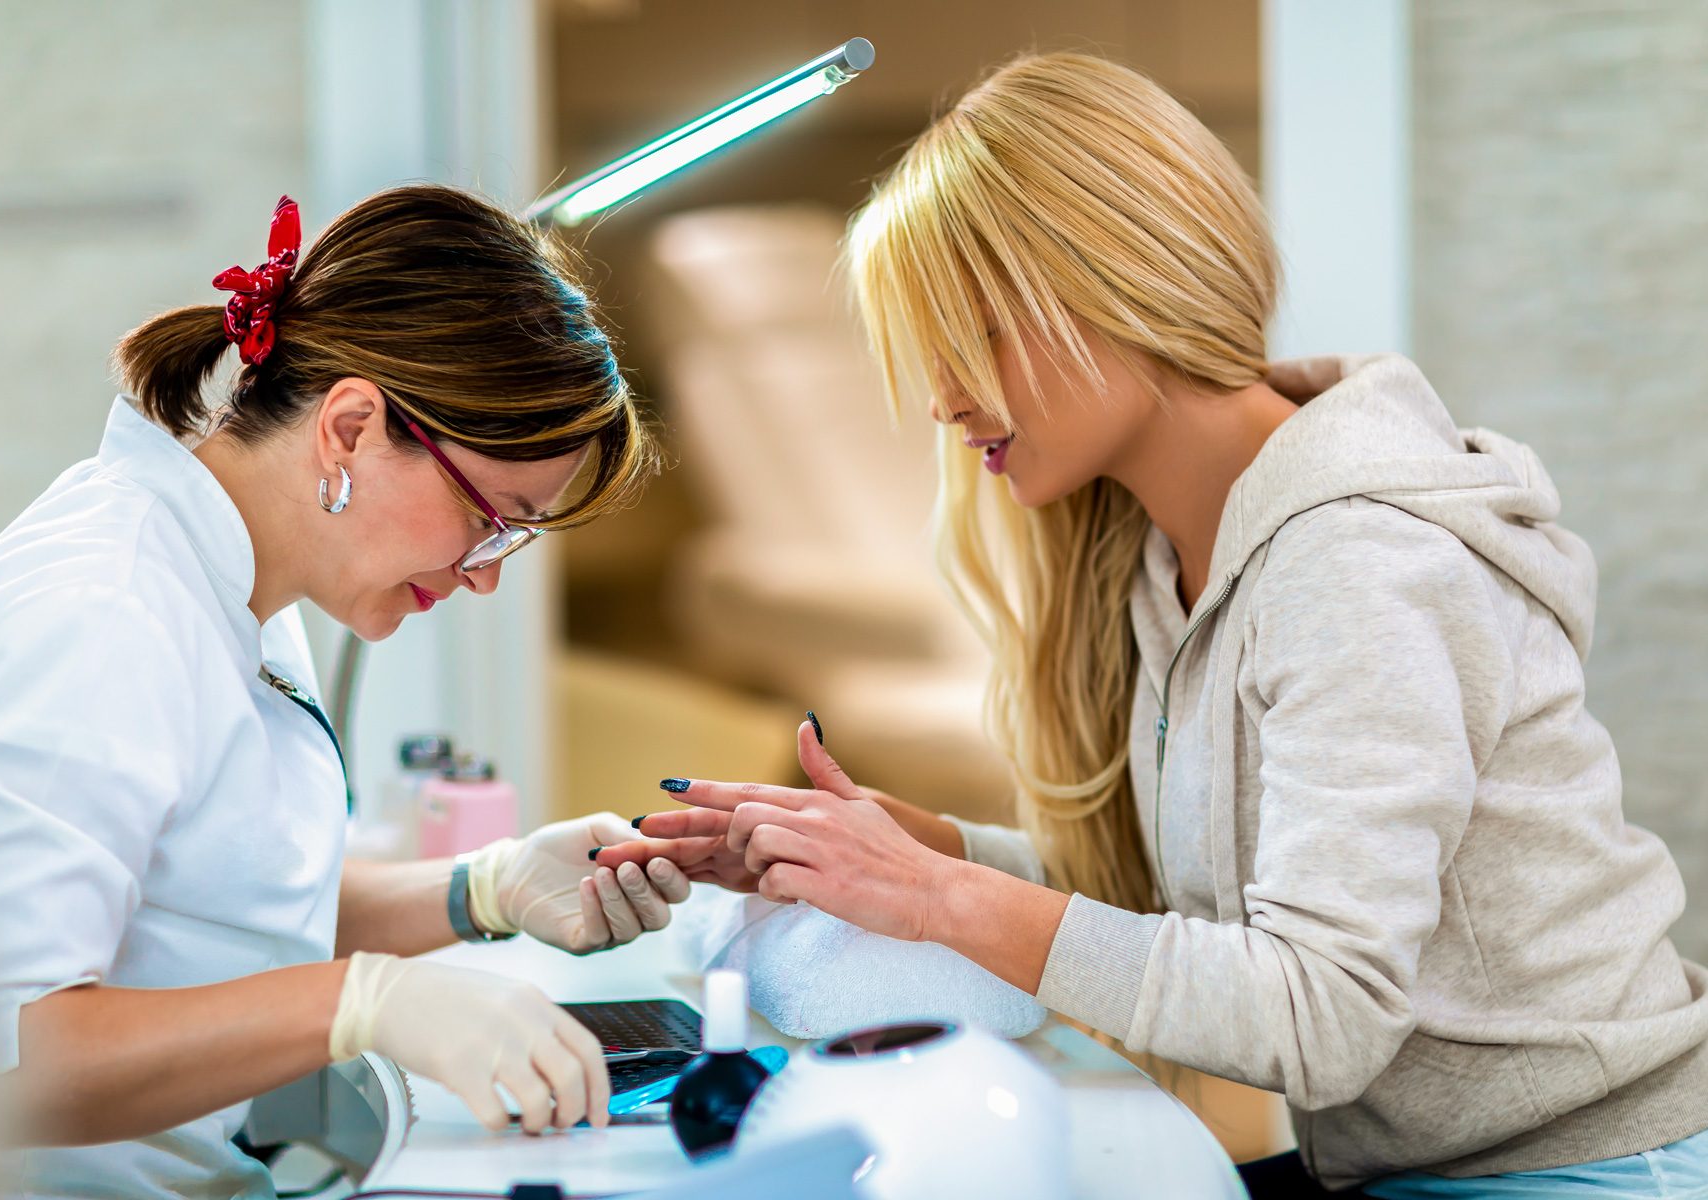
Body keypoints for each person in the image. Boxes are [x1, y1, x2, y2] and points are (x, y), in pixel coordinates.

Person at [597, 52, 1708, 1197]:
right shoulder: (1165, 552)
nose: (939, 400)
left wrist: (943, 900)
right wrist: (920, 848)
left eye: (962, 340)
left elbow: (1317, 1014)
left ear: (1105, 283)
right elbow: (1197, 904)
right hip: (1415, 1165)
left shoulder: (1359, 560)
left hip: (1590, 1167)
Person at [0, 184, 692, 1198]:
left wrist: (484, 890)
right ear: (352, 426)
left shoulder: (239, 580)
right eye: (493, 517)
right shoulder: (101, 618)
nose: (488, 572)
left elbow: (203, 905)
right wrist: (358, 1003)